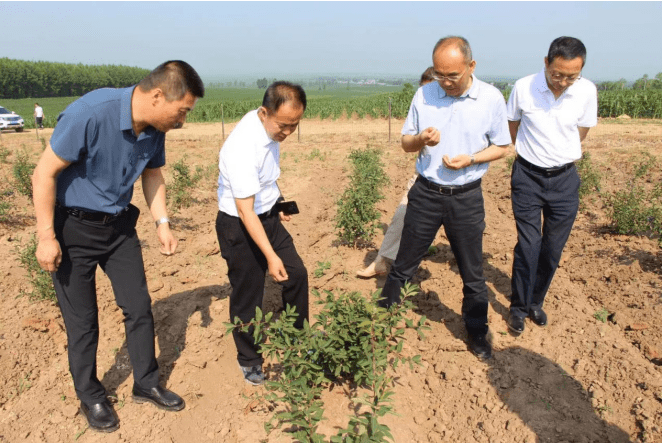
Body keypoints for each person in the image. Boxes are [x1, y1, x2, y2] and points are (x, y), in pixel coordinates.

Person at [31, 61, 204, 432]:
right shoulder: (91, 113)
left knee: (139, 307)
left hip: (119, 228)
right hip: (72, 228)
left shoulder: (155, 127)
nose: (182, 120)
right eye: (182, 111)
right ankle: (90, 395)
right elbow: (43, 172)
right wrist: (46, 236)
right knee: (83, 322)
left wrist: (163, 223)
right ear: (158, 96)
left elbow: (152, 173)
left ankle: (146, 383)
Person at [379, 36, 511, 360]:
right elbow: (406, 143)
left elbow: (502, 146)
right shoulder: (424, 94)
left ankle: (477, 332)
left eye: (453, 75)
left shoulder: (491, 99)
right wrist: (420, 138)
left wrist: (472, 159)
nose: (446, 82)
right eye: (440, 74)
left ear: (471, 66)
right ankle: (381, 324)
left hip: (465, 197)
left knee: (472, 273)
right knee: (403, 265)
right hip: (426, 193)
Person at [216, 81, 309, 386]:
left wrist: (279, 203)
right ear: (263, 112)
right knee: (248, 295)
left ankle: (298, 337)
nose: (287, 132)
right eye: (284, 125)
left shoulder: (269, 129)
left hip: (266, 216)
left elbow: (265, 180)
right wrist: (269, 256)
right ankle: (250, 358)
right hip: (240, 226)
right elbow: (245, 210)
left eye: (294, 125)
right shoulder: (242, 146)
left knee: (297, 273)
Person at [506, 37, 597, 335]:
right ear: (545, 63)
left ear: (580, 71)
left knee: (553, 249)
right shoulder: (523, 87)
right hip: (527, 178)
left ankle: (536, 301)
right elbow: (513, 126)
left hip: (565, 180)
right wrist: (532, 155)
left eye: (571, 76)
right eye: (557, 74)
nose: (562, 82)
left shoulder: (586, 91)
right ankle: (518, 308)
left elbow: (581, 132)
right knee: (529, 246)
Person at [356, 67, 436, 278]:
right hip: (424, 177)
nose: (425, 98)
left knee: (464, 235)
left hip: (458, 184)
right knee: (401, 215)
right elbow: (408, 143)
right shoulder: (422, 110)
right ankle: (381, 261)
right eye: (423, 92)